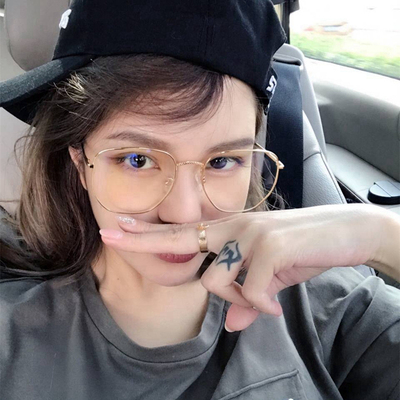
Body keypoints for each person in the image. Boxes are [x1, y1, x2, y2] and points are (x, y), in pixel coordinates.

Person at [0, 1, 399, 399]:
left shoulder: (324, 302)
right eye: (138, 160)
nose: (184, 212)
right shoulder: (12, 336)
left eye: (222, 161)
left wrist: (380, 235)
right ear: (79, 162)